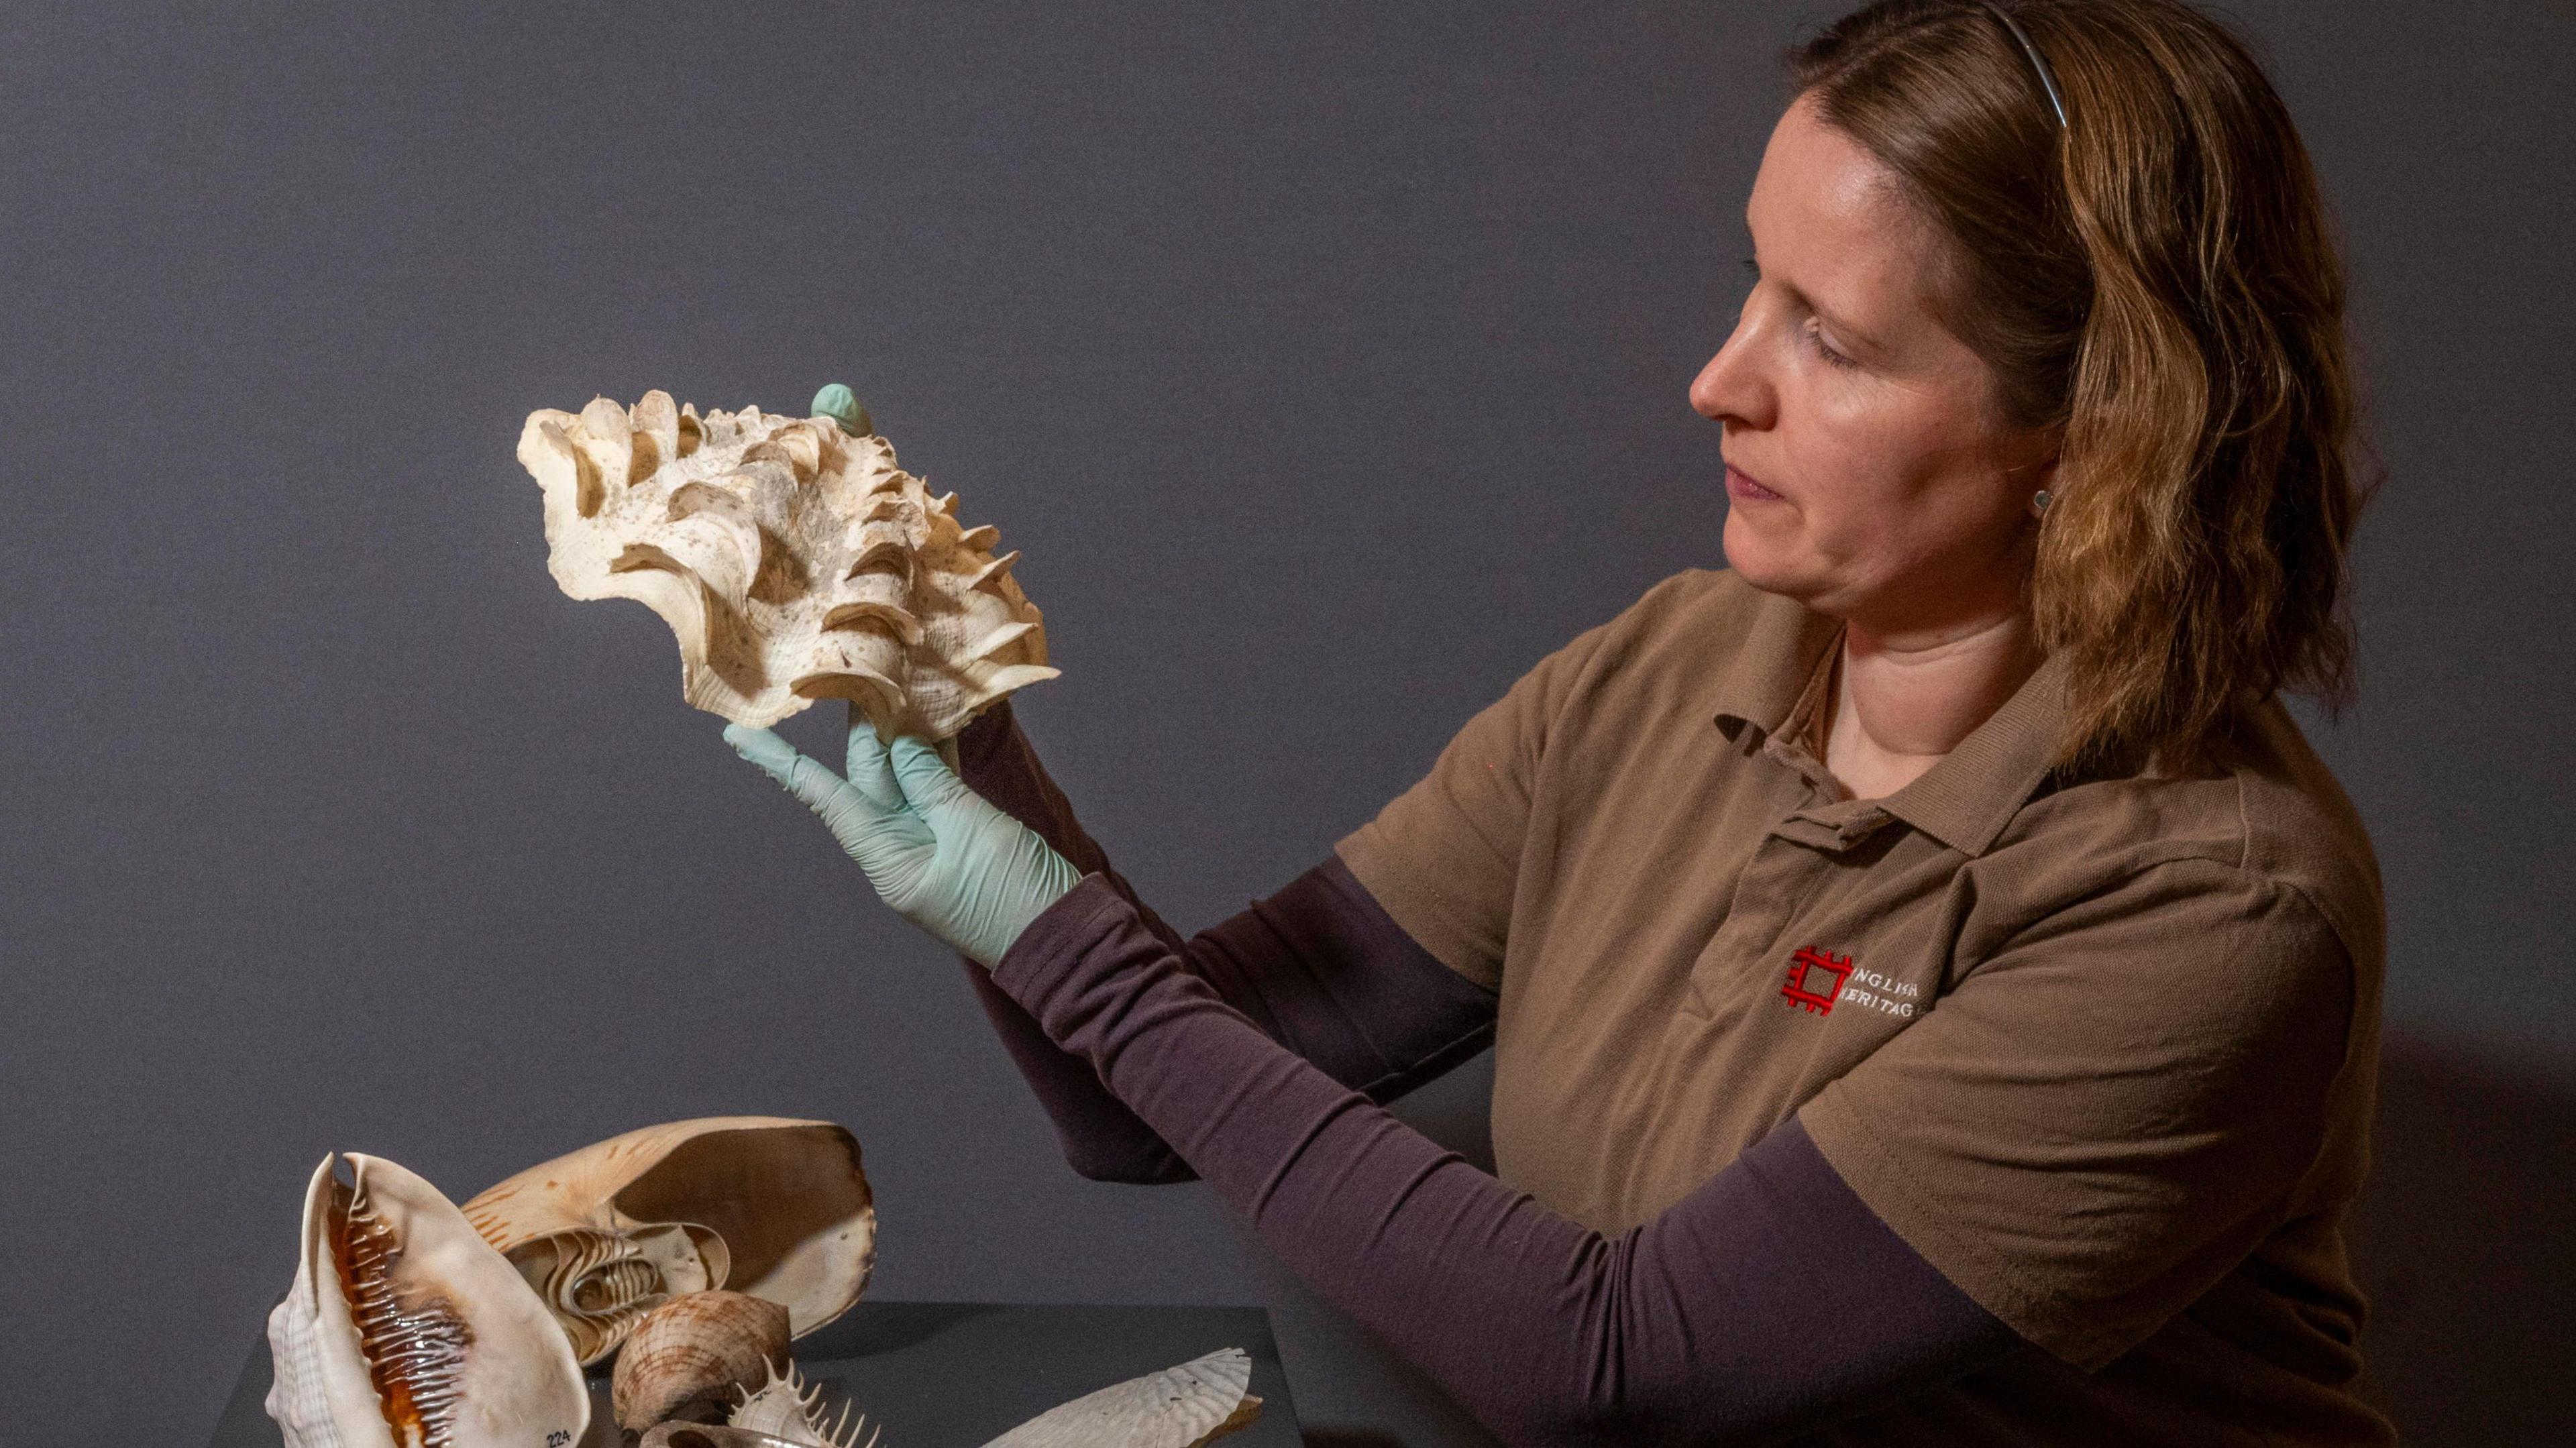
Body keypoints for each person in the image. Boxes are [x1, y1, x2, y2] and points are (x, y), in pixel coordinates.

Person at [724, 1, 2393, 1441]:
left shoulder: (2210, 907)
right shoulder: (1678, 665)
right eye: (1757, 285)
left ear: (2089, 427)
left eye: (1835, 338)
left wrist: (1064, 944)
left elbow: (1610, 1368)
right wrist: (955, 712)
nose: (1721, 379)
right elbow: (1140, 1096)